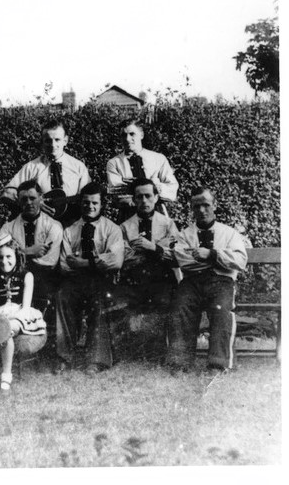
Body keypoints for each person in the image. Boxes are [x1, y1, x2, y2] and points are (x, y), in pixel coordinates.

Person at [167, 187, 247, 373]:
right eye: (196, 207)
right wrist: (218, 260)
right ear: (192, 209)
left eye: (206, 205)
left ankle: (218, 365)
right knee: (180, 306)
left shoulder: (229, 234)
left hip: (222, 282)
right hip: (192, 282)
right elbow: (182, 260)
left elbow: (240, 261)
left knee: (221, 309)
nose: (202, 210)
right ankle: (180, 363)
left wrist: (211, 254)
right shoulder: (185, 235)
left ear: (215, 205)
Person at [55, 182, 124, 374]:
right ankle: (64, 357)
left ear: (102, 204)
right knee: (62, 296)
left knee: (100, 300)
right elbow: (64, 264)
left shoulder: (112, 229)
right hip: (75, 281)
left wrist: (83, 263)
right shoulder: (70, 230)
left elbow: (115, 261)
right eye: (86, 203)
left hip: (101, 281)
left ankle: (96, 360)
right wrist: (97, 263)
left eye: (95, 203)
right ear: (80, 204)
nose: (90, 207)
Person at [110, 178, 180, 363]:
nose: (144, 201)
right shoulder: (125, 226)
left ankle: (156, 353)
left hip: (161, 277)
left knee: (162, 302)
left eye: (148, 196)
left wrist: (152, 247)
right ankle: (129, 353)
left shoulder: (168, 224)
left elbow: (176, 257)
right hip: (134, 277)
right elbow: (124, 257)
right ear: (133, 200)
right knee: (121, 303)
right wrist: (159, 247)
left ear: (156, 197)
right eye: (139, 197)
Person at [0, 236, 46, 392]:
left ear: (17, 256)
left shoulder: (27, 275)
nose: (4, 261)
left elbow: (25, 306)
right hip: (2, 312)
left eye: (9, 256)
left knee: (6, 330)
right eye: (0, 257)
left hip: (21, 314)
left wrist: (9, 321)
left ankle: (7, 375)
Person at [0, 121, 90, 226]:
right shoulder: (32, 167)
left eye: (57, 140)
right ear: (42, 142)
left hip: (71, 229)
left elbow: (89, 197)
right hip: (39, 228)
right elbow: (7, 193)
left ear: (65, 141)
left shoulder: (78, 167)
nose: (53, 145)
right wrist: (33, 202)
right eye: (48, 140)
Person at [0, 179, 63, 304]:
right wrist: (29, 251)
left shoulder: (54, 226)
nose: (29, 203)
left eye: (32, 198)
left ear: (40, 198)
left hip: (43, 280)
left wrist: (16, 255)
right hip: (15, 280)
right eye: (24, 199)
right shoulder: (8, 227)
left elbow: (49, 261)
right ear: (18, 201)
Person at [106, 120, 178, 223]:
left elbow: (172, 189)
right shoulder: (114, 163)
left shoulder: (158, 159)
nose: (127, 139)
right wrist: (151, 190)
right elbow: (117, 194)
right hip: (129, 217)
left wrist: (156, 187)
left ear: (141, 135)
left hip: (157, 215)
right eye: (123, 135)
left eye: (132, 134)